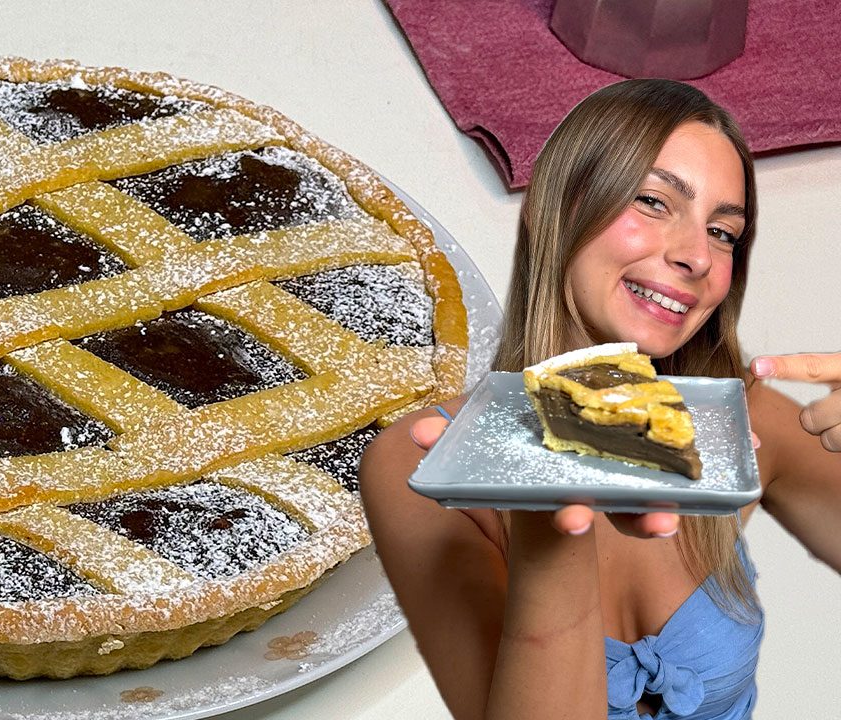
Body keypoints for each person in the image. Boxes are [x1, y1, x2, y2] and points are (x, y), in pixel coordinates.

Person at [358, 78, 841, 720]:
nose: (697, 255)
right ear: (555, 207)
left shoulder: (732, 423)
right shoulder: (427, 463)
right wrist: (549, 527)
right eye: (653, 201)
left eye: (724, 233)